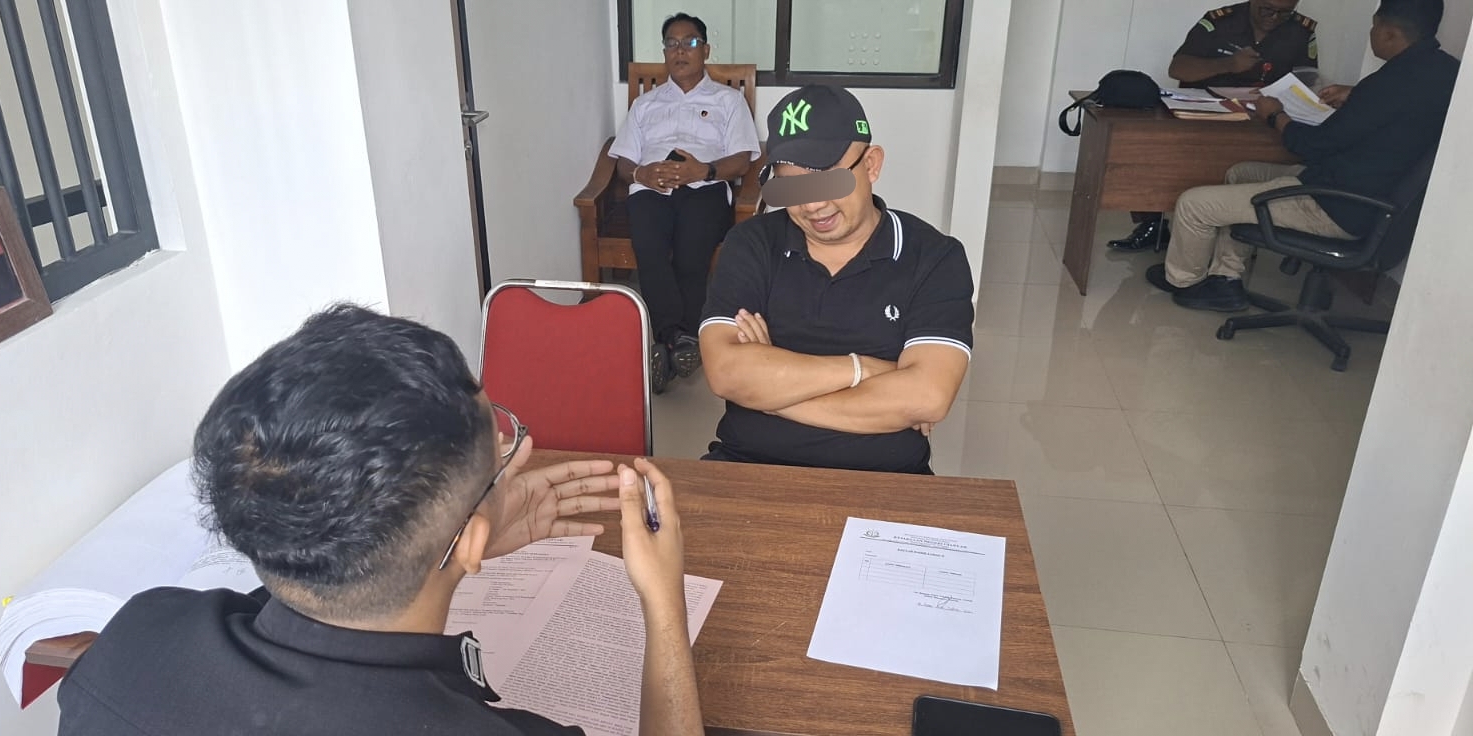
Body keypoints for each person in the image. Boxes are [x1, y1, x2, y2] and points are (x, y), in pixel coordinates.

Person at [57, 305, 701, 736]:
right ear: (470, 540)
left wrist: (441, 539)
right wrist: (664, 602)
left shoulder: (134, 641)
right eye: (501, 444)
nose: (511, 448)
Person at [698, 86, 974, 475]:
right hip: (747, 464)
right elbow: (726, 373)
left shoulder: (934, 257)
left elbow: (926, 397)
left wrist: (770, 395)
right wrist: (863, 369)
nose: (812, 204)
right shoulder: (751, 243)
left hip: (886, 478)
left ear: (871, 164)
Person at [1146, 0, 1457, 312]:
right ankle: (1225, 278)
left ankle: (1185, 281)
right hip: (1360, 193)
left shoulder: (1386, 84)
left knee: (1193, 204)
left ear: (1389, 33)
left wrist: (1275, 115)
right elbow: (1399, 107)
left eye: (1374, 26)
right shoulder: (1448, 73)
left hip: (1333, 203)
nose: (1371, 33)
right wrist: (1356, 94)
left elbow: (1312, 145)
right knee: (1240, 172)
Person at [610, 12, 762, 395]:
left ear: (705, 50)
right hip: (651, 190)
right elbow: (623, 161)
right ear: (664, 52)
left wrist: (703, 171)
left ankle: (666, 344)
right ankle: (681, 340)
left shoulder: (729, 101)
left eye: (690, 42)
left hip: (704, 188)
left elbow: (742, 160)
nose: (680, 50)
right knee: (650, 251)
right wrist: (641, 174)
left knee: (692, 256)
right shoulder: (645, 104)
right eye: (672, 44)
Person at [1110, 0, 1319, 253]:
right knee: (1156, 154)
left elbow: (1307, 80)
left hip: (1260, 125)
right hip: (1207, 118)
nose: (1274, 17)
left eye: (1284, 13)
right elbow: (1178, 68)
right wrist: (1227, 64)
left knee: (1267, 162)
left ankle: (1239, 236)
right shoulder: (1219, 21)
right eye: (1267, 9)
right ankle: (1153, 225)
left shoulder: (1301, 31)